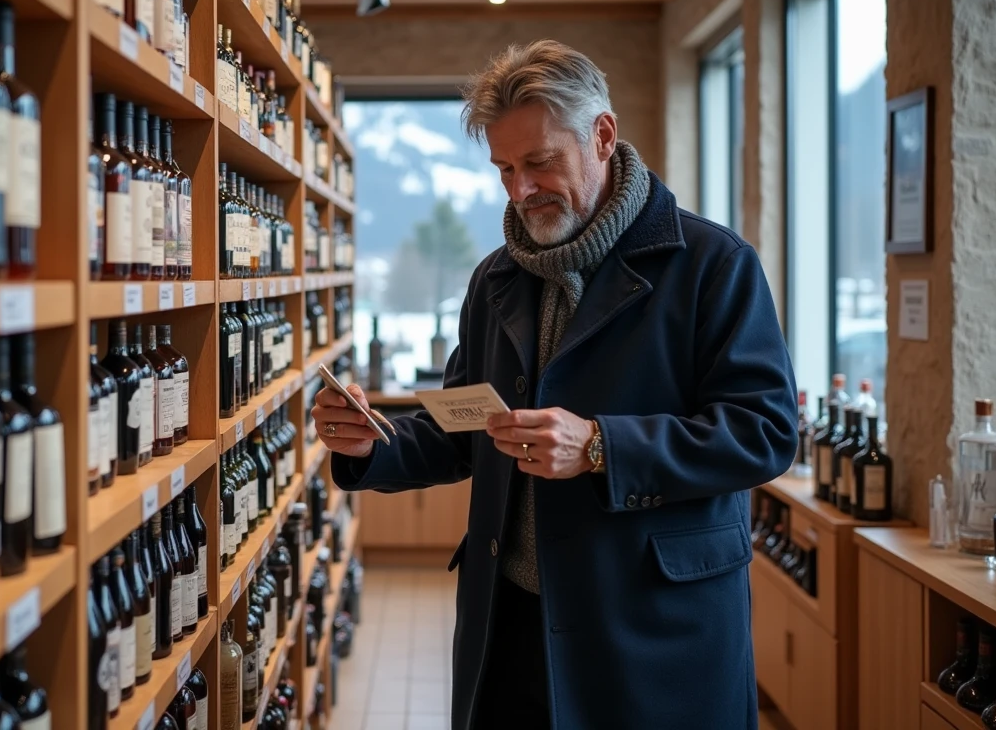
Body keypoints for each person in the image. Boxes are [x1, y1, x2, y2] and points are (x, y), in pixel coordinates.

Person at [314, 40, 798, 729]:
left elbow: (767, 433)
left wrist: (601, 446)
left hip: (653, 630)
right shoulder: (497, 278)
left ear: (603, 135)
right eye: (504, 169)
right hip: (510, 626)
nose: (519, 190)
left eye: (540, 162)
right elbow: (465, 430)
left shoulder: (714, 265)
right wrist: (370, 445)